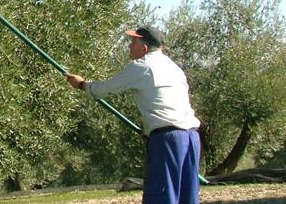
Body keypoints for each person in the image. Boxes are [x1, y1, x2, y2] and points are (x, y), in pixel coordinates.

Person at [65, 26, 201, 204]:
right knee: (187, 198)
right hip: (191, 138)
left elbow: (107, 88)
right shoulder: (174, 68)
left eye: (133, 42)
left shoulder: (142, 66)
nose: (129, 46)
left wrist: (82, 85)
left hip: (168, 140)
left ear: (144, 47)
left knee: (162, 197)